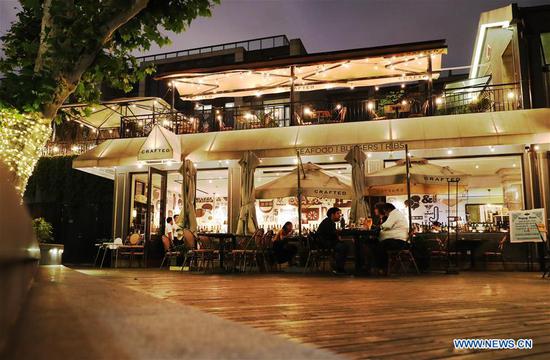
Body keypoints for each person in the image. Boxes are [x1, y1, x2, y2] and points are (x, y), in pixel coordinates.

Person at [377, 203, 409, 272]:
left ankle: (383, 268)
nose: (385, 213)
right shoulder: (396, 214)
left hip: (398, 242)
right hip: (401, 240)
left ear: (387, 210)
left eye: (384, 211)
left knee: (380, 246)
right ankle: (381, 267)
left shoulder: (394, 214)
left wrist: (380, 227)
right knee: (377, 244)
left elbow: (387, 225)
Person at [316, 207, 349, 275]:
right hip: (324, 244)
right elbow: (331, 235)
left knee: (343, 246)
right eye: (337, 213)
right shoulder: (329, 222)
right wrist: (338, 237)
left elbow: (332, 235)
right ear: (332, 214)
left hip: (325, 243)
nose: (339, 215)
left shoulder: (328, 221)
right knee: (343, 247)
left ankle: (338, 267)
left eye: (339, 214)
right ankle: (339, 269)